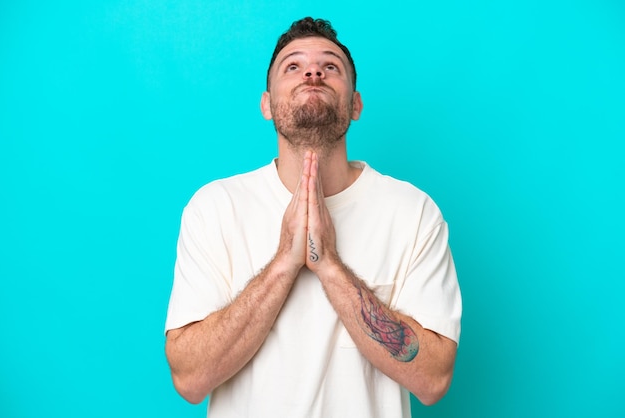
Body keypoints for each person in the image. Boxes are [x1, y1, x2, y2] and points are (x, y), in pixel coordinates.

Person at [164, 17, 462, 418]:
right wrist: (285, 260)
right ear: (267, 104)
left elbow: (433, 380)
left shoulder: (413, 211)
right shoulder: (215, 207)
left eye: (330, 66)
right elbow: (189, 378)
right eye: (293, 66)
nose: (312, 72)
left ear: (355, 105)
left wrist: (329, 266)